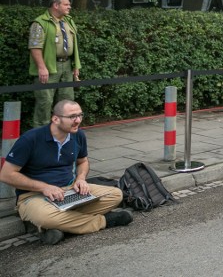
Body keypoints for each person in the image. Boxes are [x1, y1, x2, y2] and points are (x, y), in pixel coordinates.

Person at [0, 100, 132, 245]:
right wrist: (44, 187)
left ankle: (59, 226)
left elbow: (83, 161)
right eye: (72, 117)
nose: (78, 121)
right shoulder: (30, 139)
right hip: (34, 196)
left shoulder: (78, 135)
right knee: (45, 216)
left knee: (116, 195)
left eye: (80, 115)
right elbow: (6, 174)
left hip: (69, 190)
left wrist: (81, 179)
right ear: (56, 119)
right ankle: (103, 221)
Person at [29, 0, 80, 128]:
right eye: (66, 4)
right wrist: (41, 67)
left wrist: (76, 65)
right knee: (44, 102)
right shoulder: (40, 22)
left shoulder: (69, 21)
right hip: (48, 67)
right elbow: (35, 47)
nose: (69, 7)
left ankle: (64, 132)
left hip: (67, 66)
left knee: (67, 102)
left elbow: (74, 45)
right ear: (56, 5)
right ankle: (41, 135)